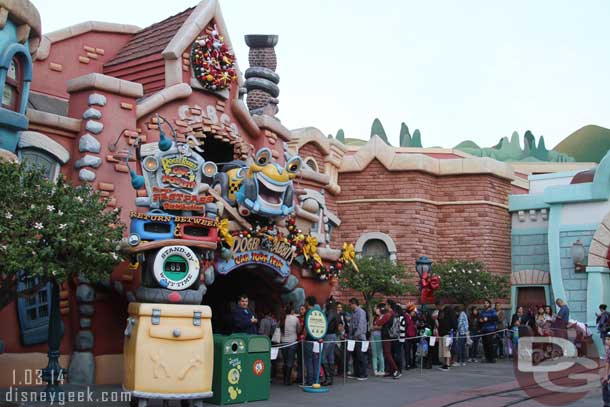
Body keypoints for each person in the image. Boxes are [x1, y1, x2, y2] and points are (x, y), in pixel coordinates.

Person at [376, 301, 401, 378]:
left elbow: (378, 323)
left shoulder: (388, 314)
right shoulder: (394, 313)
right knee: (390, 353)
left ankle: (396, 370)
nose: (384, 306)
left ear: (389, 305)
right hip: (392, 336)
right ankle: (392, 371)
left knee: (387, 353)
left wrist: (378, 315)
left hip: (387, 336)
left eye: (386, 305)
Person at [348, 298, 368, 380]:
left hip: (359, 337)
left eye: (350, 304)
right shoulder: (353, 313)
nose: (349, 306)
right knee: (355, 356)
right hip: (353, 337)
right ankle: (357, 373)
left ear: (353, 304)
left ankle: (363, 374)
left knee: (360, 356)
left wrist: (355, 335)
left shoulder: (361, 312)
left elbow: (361, 325)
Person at [302, 296, 319, 386]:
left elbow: (306, 327)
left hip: (308, 340)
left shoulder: (308, 312)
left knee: (308, 360)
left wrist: (303, 337)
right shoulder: (317, 312)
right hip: (317, 340)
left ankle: (309, 381)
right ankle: (316, 380)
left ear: (307, 302)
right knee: (315, 360)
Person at [321, 299, 338, 386]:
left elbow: (326, 323)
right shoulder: (335, 312)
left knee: (323, 357)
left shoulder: (330, 312)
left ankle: (328, 378)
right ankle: (330, 378)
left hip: (328, 335)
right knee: (330, 357)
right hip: (333, 335)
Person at [281, 305, 299, 385]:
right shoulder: (295, 319)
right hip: (292, 342)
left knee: (285, 361)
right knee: (290, 361)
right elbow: (298, 330)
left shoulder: (282, 318)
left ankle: (285, 378)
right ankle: (287, 380)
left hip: (283, 342)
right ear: (292, 311)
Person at [437, 303, 456, 371]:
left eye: (438, 306)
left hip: (448, 332)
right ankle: (444, 363)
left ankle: (447, 365)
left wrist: (453, 329)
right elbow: (439, 320)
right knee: (442, 350)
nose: (438, 308)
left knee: (447, 349)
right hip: (441, 332)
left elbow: (453, 320)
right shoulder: (440, 311)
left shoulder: (449, 310)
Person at [479, 299, 498, 363]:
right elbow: (480, 318)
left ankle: (492, 358)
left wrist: (488, 319)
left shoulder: (492, 311)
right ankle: (487, 358)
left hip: (490, 330)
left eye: (487, 303)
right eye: (484, 303)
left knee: (490, 344)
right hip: (484, 329)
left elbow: (495, 318)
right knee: (485, 344)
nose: (485, 304)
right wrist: (480, 320)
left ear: (489, 304)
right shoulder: (483, 311)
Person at [371, 303, 386, 376]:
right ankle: (375, 369)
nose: (376, 309)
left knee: (380, 353)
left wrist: (375, 327)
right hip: (373, 335)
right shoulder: (376, 317)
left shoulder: (384, 317)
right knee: (374, 353)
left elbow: (381, 327)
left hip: (379, 336)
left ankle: (382, 369)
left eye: (376, 308)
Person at [335, 303, 348, 376]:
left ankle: (342, 370)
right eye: (338, 307)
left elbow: (345, 326)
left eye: (340, 307)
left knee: (343, 354)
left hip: (343, 337)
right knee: (338, 355)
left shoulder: (343, 316)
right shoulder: (335, 316)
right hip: (337, 337)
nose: (339, 308)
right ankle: (339, 370)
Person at [404, 304, 417, 369]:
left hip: (411, 336)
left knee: (410, 351)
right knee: (407, 351)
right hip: (407, 336)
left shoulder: (410, 317)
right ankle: (407, 364)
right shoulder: (406, 317)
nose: (414, 313)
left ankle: (410, 363)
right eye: (413, 311)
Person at [296, 304, 307, 384]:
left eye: (302, 309)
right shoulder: (298, 318)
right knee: (299, 360)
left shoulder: (307, 319)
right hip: (298, 340)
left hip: (305, 341)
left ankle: (305, 377)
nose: (301, 311)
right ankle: (300, 377)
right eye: (300, 309)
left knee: (304, 360)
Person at [601, 333, 610, 407]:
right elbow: (607, 363)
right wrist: (606, 375)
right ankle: (606, 403)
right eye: (606, 339)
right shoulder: (608, 350)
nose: (606, 341)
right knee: (605, 383)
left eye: (608, 339)